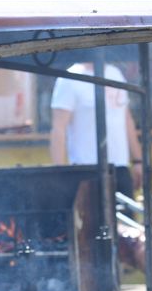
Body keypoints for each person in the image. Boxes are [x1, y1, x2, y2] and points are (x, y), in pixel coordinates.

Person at [49, 62, 142, 199]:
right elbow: (58, 127)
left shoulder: (115, 73)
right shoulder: (70, 78)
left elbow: (126, 119)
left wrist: (138, 161)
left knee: (127, 212)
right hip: (86, 170)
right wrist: (60, 174)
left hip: (120, 168)